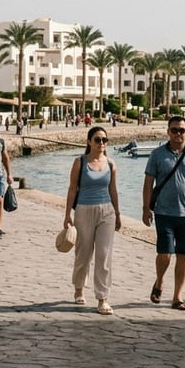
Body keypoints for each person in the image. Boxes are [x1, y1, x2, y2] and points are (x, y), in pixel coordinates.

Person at [141, 116, 185, 311]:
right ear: (168, 132)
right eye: (174, 130)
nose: (178, 133)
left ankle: (177, 297)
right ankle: (160, 281)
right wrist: (146, 208)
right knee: (165, 254)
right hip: (164, 213)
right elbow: (148, 183)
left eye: (181, 130)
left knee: (183, 256)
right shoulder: (157, 155)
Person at [64, 126, 122, 315]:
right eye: (97, 139)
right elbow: (72, 189)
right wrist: (67, 215)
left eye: (105, 140)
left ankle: (102, 298)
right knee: (83, 253)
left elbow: (113, 190)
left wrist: (118, 214)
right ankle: (79, 288)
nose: (101, 143)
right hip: (83, 210)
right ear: (89, 142)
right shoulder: (80, 162)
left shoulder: (111, 164)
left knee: (104, 256)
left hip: (107, 211)